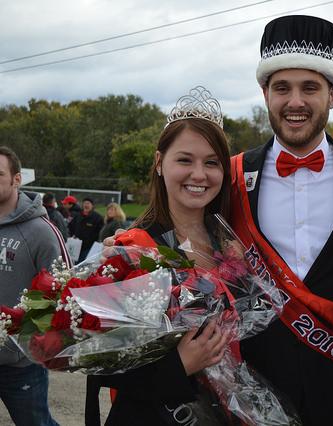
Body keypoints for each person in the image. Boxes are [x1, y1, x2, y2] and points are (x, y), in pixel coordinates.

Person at [229, 15, 333, 425]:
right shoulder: (230, 178)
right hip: (255, 386)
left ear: (332, 94)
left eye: (310, 87)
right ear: (265, 93)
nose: (295, 101)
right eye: (282, 88)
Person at [85, 86, 231, 426]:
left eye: (212, 163)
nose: (199, 174)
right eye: (185, 160)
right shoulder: (132, 248)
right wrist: (178, 366)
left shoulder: (228, 243)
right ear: (159, 162)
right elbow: (101, 364)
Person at [0, 145, 70, 426]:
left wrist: (31, 342)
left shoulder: (40, 230)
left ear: (17, 179)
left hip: (20, 365)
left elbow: (64, 291)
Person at [69, 197, 103, 262]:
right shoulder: (78, 215)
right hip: (76, 246)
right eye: (84, 203)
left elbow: (99, 231)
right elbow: (71, 227)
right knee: (74, 263)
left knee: (84, 263)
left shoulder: (97, 217)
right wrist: (72, 236)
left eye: (88, 203)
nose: (86, 205)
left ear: (92, 205)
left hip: (89, 247)